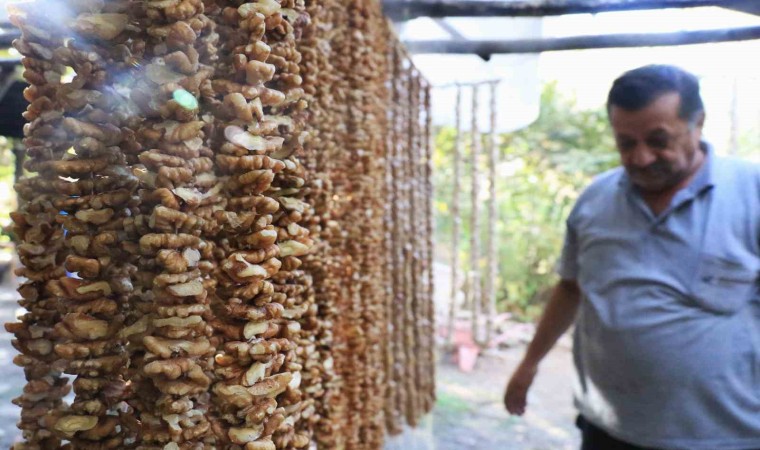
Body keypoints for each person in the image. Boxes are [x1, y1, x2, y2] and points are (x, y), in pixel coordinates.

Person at [503, 65, 760, 450]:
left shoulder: (751, 194)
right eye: (626, 143)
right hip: (609, 430)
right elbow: (571, 288)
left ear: (698, 123)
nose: (640, 158)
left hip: (723, 437)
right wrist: (529, 363)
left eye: (658, 140)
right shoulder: (595, 201)